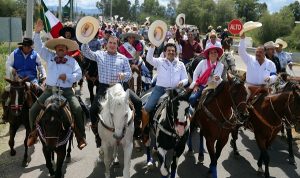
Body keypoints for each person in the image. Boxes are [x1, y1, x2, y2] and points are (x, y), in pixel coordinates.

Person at [27, 20, 87, 150]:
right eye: (58, 46)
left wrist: (68, 77)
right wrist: (37, 32)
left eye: (63, 47)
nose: (60, 48)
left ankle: (80, 136)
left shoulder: (72, 61)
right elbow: (38, 46)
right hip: (49, 90)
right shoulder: (49, 57)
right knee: (32, 110)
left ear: (66, 49)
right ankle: (33, 133)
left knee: (77, 109)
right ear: (55, 48)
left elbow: (79, 74)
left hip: (67, 91)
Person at [81, 36, 142, 148]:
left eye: (114, 43)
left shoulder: (123, 58)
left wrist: (124, 75)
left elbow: (129, 74)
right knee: (93, 110)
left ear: (117, 45)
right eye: (110, 43)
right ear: (106, 44)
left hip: (119, 87)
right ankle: (97, 135)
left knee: (138, 102)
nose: (112, 45)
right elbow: (86, 52)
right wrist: (85, 40)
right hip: (104, 88)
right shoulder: (99, 54)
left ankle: (137, 132)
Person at [141, 42, 188, 142]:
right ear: (165, 52)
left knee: (190, 111)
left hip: (176, 90)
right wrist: (153, 46)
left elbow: (186, 79)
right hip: (160, 89)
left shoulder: (181, 64)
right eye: (169, 51)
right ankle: (145, 132)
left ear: (175, 53)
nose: (171, 52)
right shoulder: (160, 61)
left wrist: (182, 82)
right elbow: (149, 58)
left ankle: (185, 132)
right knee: (146, 110)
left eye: (173, 51)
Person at [0, 38, 46, 124]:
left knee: (41, 92)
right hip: (18, 80)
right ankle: (5, 114)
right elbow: (8, 64)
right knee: (5, 93)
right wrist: (12, 69)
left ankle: (42, 114)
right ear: (23, 46)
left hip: (31, 79)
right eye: (27, 46)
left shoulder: (35, 55)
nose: (29, 48)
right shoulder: (14, 53)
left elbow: (40, 66)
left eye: (30, 47)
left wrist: (44, 76)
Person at [238, 32, 277, 100]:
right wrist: (242, 39)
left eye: (260, 52)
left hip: (264, 88)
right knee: (242, 104)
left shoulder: (271, 64)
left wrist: (270, 78)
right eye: (257, 52)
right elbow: (241, 52)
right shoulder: (250, 59)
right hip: (249, 88)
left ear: (265, 53)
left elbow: (274, 76)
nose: (258, 54)